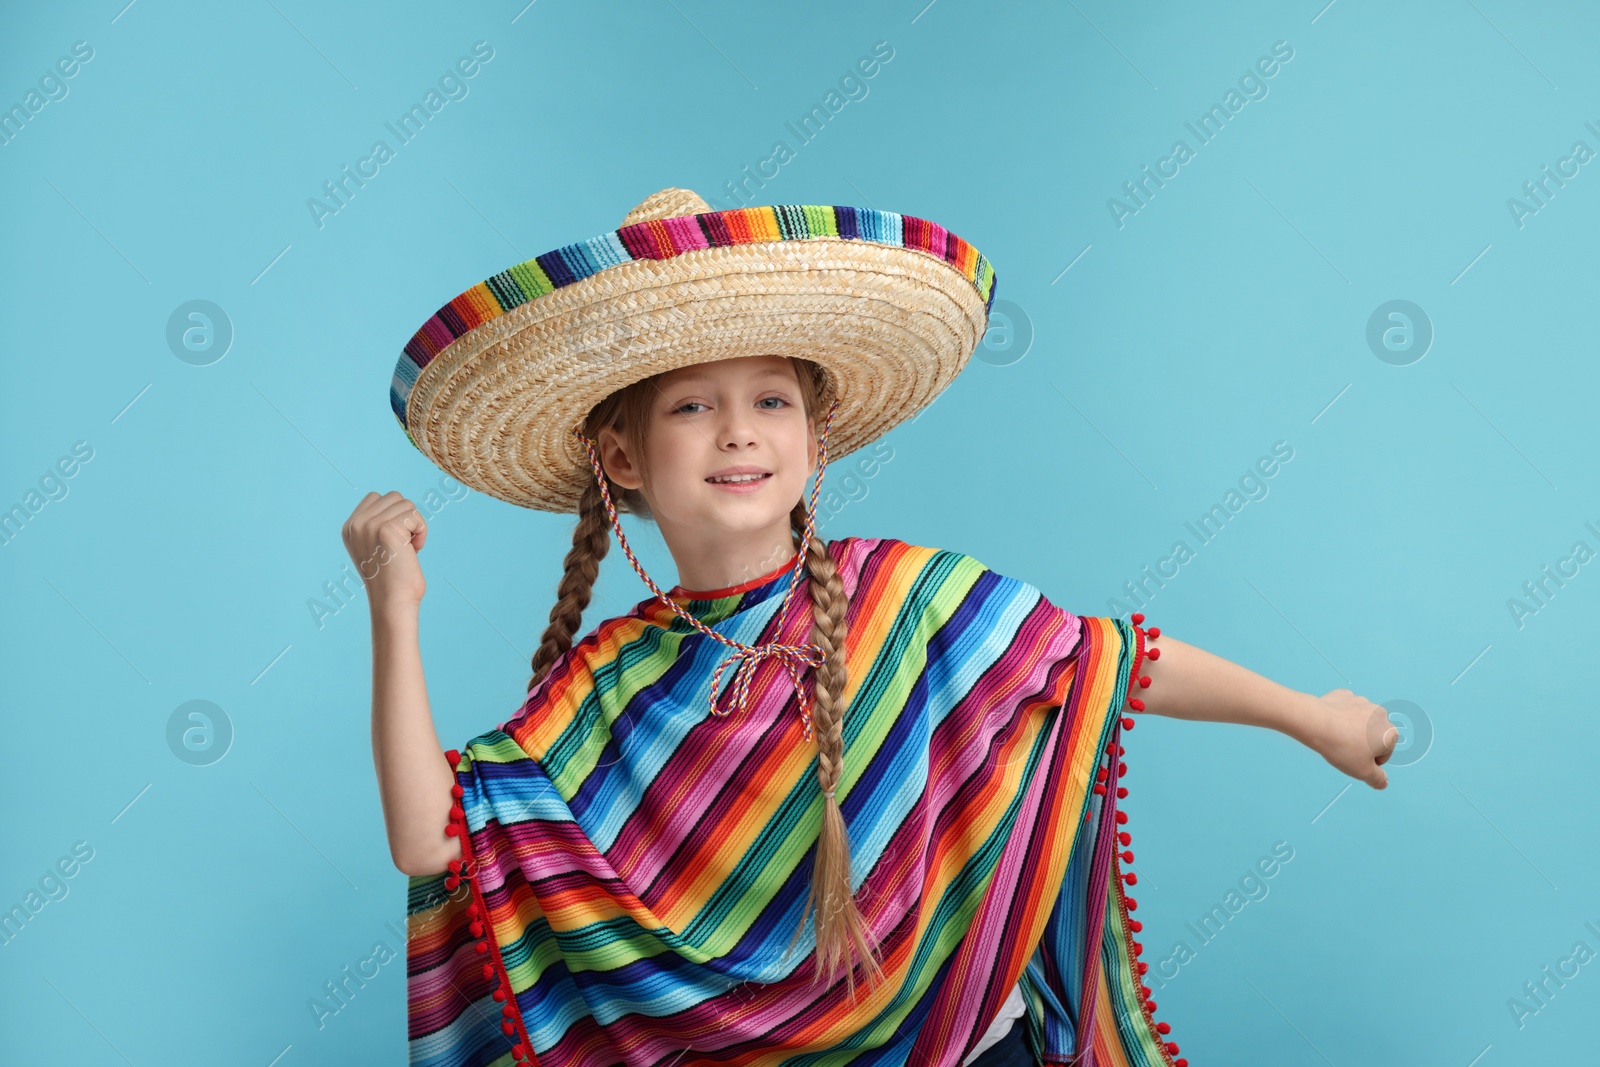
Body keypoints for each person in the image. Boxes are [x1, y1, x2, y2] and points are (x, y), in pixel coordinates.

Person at [345, 189, 1398, 1067]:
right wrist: (395, 610)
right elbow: (432, 836)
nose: (739, 431)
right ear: (620, 459)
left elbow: (1107, 662)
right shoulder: (610, 684)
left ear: (813, 438)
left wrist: (1311, 717)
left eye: (770, 399)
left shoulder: (906, 599)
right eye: (690, 407)